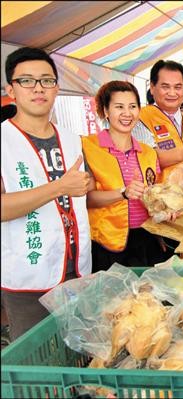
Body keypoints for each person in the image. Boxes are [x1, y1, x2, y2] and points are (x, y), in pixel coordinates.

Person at [1, 47, 92, 340]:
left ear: (57, 89)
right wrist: (59, 187)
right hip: (30, 276)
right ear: (10, 90)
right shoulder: (3, 140)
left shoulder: (71, 139)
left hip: (76, 272)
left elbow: (81, 193)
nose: (38, 88)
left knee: (80, 357)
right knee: (37, 370)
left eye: (47, 80)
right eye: (26, 81)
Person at [82, 81, 171, 272]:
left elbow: (151, 199)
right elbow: (87, 198)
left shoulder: (148, 153)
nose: (127, 113)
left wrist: (163, 216)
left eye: (132, 107)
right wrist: (122, 193)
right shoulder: (89, 148)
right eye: (119, 107)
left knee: (147, 299)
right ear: (105, 111)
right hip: (107, 242)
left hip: (147, 238)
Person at [137, 60, 183, 180]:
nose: (172, 93)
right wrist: (181, 154)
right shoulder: (140, 118)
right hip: (159, 196)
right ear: (152, 88)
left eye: (178, 87)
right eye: (165, 87)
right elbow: (146, 158)